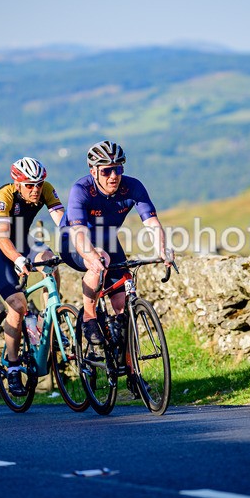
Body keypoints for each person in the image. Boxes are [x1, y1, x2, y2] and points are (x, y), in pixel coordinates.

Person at [61, 140, 174, 348]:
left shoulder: (132, 187)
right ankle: (88, 317)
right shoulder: (81, 190)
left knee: (122, 303)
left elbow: (152, 223)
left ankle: (130, 370)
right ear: (93, 171)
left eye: (118, 169)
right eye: (106, 171)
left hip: (108, 241)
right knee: (100, 258)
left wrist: (163, 250)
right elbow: (79, 234)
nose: (114, 176)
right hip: (74, 241)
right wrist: (92, 257)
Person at [0, 157, 65, 396]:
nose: (36, 189)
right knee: (17, 305)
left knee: (50, 261)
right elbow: (2, 239)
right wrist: (17, 259)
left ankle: (45, 319)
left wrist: (77, 241)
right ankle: (13, 365)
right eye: (29, 185)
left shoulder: (46, 190)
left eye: (39, 184)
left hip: (23, 240)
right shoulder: (4, 196)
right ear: (17, 184)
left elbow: (63, 222)